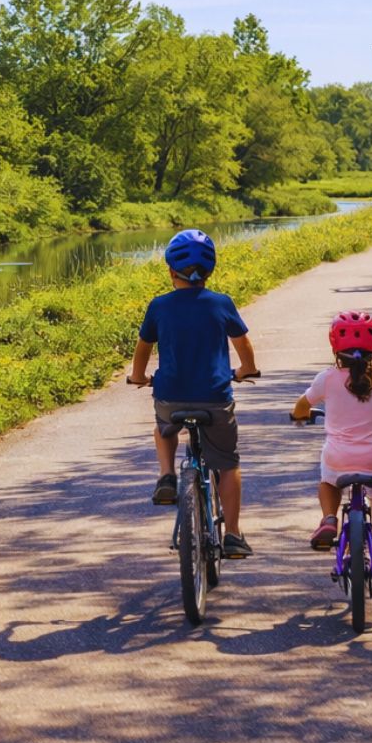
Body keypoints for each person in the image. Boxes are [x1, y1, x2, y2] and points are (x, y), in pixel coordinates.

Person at [126, 229, 260, 559]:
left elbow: (143, 350)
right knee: (227, 463)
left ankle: (168, 476)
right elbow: (243, 345)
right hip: (215, 398)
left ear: (171, 271)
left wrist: (139, 376)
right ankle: (232, 534)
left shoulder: (159, 306)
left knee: (164, 428)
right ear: (210, 270)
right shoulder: (221, 303)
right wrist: (246, 370)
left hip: (171, 397)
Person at [291, 312, 372, 579]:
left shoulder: (326, 378)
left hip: (339, 458)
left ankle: (329, 519)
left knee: (328, 482)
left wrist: (301, 415)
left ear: (335, 349)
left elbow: (302, 405)